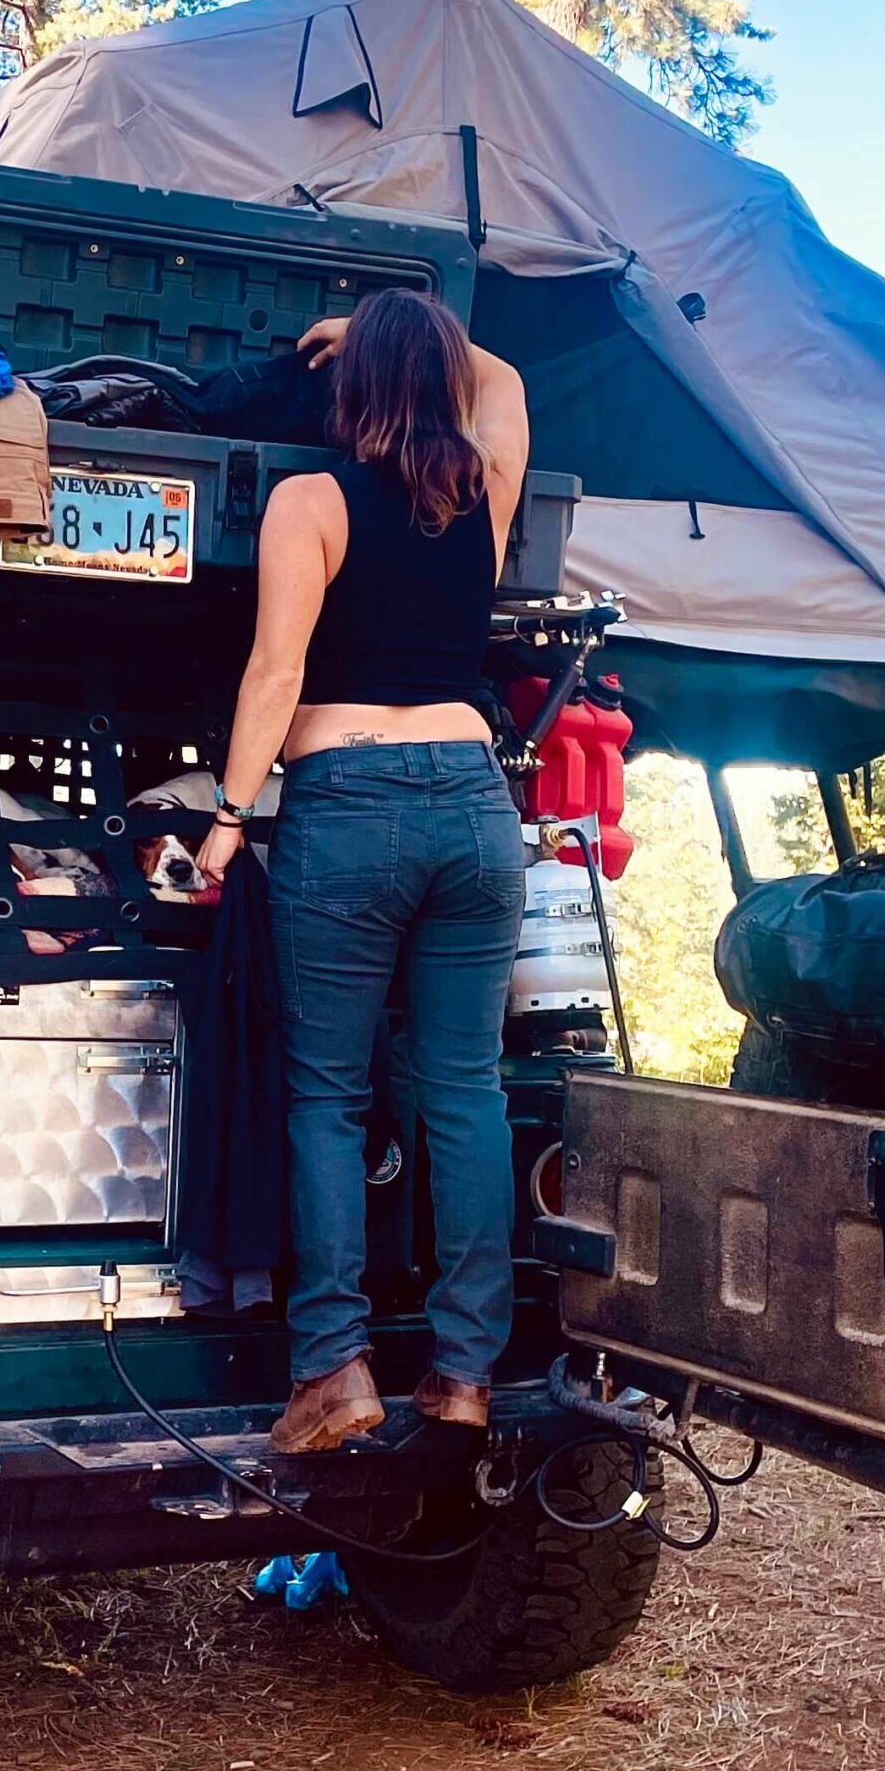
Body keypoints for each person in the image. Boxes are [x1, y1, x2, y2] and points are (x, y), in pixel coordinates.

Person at [196, 290, 530, 1454]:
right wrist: (436, 343)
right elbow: (505, 388)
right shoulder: (480, 484)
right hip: (478, 809)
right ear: (438, 380)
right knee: (464, 1091)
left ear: (346, 389)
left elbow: (273, 672)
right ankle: (464, 1372)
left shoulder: (310, 500)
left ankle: (332, 1367)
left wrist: (230, 818)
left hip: (349, 807)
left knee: (326, 1096)